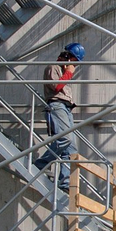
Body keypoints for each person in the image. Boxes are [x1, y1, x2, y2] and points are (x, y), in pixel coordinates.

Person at [34, 42, 85, 191]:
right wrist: (68, 72)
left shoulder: (64, 70)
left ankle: (65, 183)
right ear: (68, 57)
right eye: (74, 62)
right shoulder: (53, 68)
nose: (74, 66)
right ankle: (41, 164)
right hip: (56, 106)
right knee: (64, 139)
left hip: (67, 108)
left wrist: (68, 72)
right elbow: (57, 86)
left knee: (71, 148)